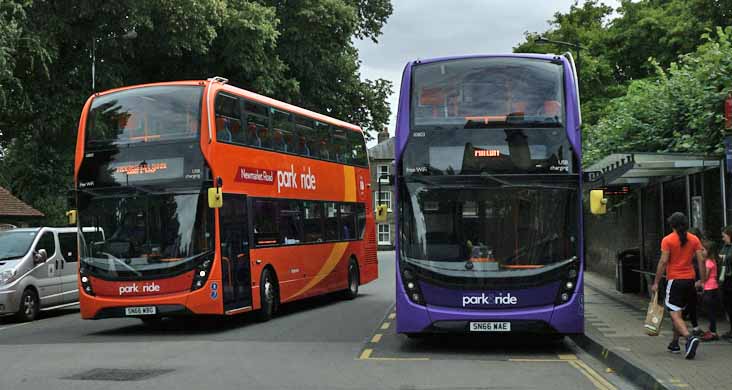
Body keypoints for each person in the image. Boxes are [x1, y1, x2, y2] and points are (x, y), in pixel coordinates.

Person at [651, 212, 707, 359]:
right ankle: (675, 343)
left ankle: (689, 338)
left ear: (672, 225)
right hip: (690, 281)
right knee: (680, 313)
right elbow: (701, 260)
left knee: (674, 314)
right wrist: (702, 280)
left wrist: (656, 282)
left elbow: (663, 262)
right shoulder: (694, 239)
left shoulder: (668, 240)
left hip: (675, 281)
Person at [700, 240, 722, 341]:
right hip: (713, 287)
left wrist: (699, 282)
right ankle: (712, 330)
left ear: (708, 251)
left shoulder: (708, 262)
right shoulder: (712, 260)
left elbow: (706, 276)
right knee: (710, 311)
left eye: (703, 250)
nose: (701, 251)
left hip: (710, 288)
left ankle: (713, 332)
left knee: (710, 311)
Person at [719, 226, 732, 340]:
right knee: (727, 303)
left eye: (724, 236)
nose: (723, 239)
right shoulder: (725, 247)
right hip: (726, 278)